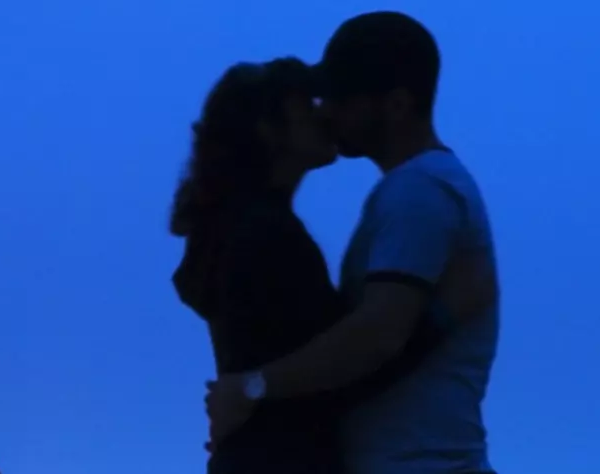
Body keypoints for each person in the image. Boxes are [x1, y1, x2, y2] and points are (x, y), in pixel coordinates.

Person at [205, 12, 500, 474]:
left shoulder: (419, 190)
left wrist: (250, 389)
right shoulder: (410, 190)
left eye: (342, 96)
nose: (326, 110)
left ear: (397, 105)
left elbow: (377, 337)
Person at [172, 58, 446, 474]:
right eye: (306, 105)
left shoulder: (237, 227)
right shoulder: (267, 235)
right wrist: (445, 313)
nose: (323, 114)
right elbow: (344, 368)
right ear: (268, 128)